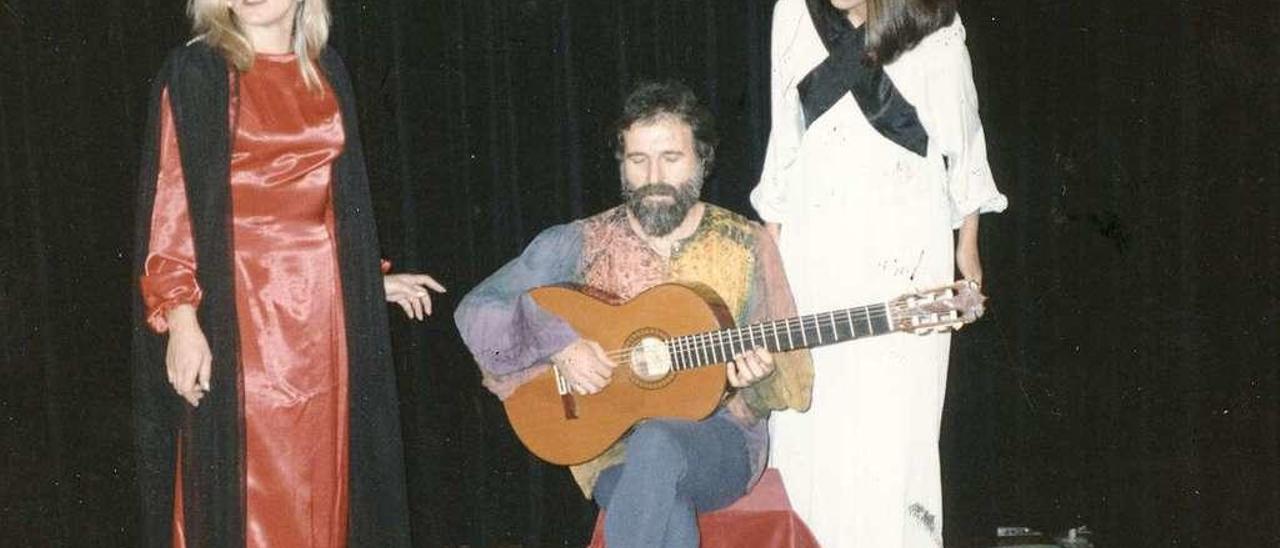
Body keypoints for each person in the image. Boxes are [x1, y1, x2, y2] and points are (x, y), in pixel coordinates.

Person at [130, 1, 444, 546]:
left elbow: (337, 206)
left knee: (322, 483)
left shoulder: (328, 71)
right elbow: (173, 201)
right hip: (244, 315)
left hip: (323, 324)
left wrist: (368, 284)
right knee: (252, 488)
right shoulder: (198, 71)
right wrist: (181, 318)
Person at [454, 81, 813, 547]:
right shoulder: (578, 241)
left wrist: (756, 378)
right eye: (638, 160)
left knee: (658, 444)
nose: (653, 176)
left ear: (702, 159)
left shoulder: (746, 244)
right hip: (606, 445)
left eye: (671, 158)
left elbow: (791, 372)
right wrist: (559, 343)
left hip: (721, 439)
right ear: (621, 164)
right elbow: (477, 309)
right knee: (667, 509)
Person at [751, 0, 1008, 545]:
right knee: (807, 425)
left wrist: (969, 247)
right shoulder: (792, 13)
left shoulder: (932, 22)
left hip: (905, 252)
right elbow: (784, 132)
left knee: (894, 435)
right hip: (813, 243)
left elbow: (962, 142)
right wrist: (769, 245)